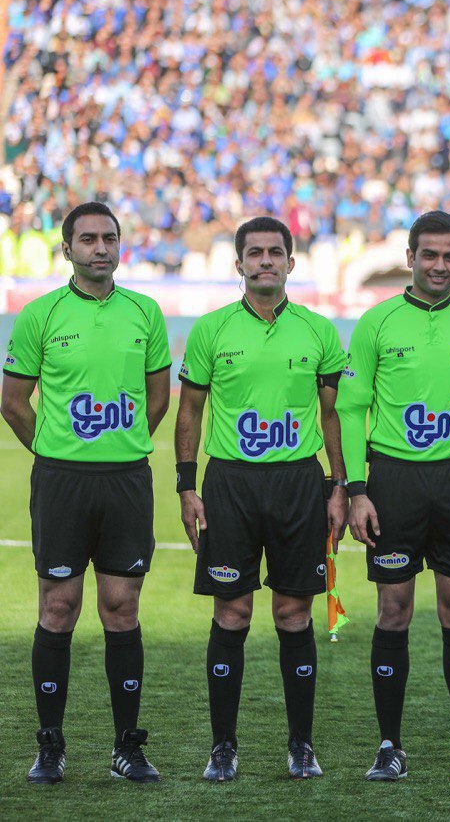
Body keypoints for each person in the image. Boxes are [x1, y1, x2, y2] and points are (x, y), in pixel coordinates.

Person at [2, 202, 170, 784]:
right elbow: (13, 402)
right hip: (62, 482)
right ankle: (50, 745)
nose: (101, 248)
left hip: (127, 479)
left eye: (109, 238)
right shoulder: (40, 314)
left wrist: (121, 445)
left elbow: (158, 399)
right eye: (89, 239)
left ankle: (127, 746)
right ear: (67, 249)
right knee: (58, 607)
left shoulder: (145, 312)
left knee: (121, 608)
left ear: (120, 245)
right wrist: (55, 452)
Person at [175, 216, 347, 782]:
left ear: (291, 263)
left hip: (299, 484)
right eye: (255, 253)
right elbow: (190, 411)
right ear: (239, 264)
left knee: (293, 614)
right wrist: (186, 485)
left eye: (276, 252)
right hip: (231, 485)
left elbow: (332, 416)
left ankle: (301, 745)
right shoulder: (211, 329)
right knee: (232, 612)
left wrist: (340, 484)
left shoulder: (319, 331)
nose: (266, 260)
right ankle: (223, 746)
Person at [338, 210, 450, 782]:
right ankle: (389, 746)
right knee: (394, 610)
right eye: (429, 255)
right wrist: (357, 490)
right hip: (393, 482)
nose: (439, 265)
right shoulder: (376, 323)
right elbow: (352, 408)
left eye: (449, 256)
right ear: (409, 258)